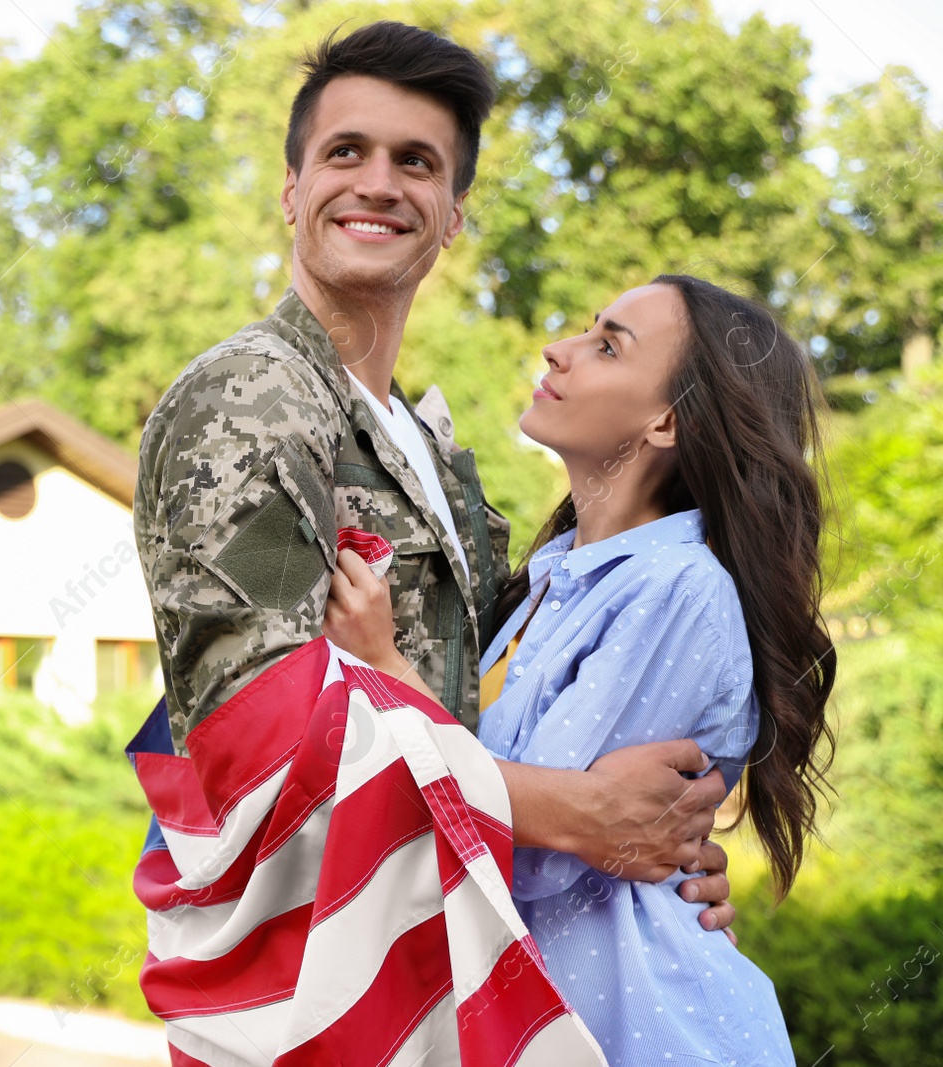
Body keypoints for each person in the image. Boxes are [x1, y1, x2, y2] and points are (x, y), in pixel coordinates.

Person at [134, 20, 736, 934]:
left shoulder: (433, 455)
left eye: (417, 162)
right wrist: (578, 819)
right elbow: (256, 738)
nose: (378, 182)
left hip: (446, 964)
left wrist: (658, 860)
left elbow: (507, 711)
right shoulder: (251, 397)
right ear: (292, 191)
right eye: (346, 152)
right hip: (314, 975)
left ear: (453, 213)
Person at [323, 275, 835, 1064]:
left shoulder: (679, 587)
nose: (557, 350)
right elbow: (548, 810)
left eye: (607, 345)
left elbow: (529, 854)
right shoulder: (550, 577)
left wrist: (383, 665)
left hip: (637, 1033)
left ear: (667, 419)